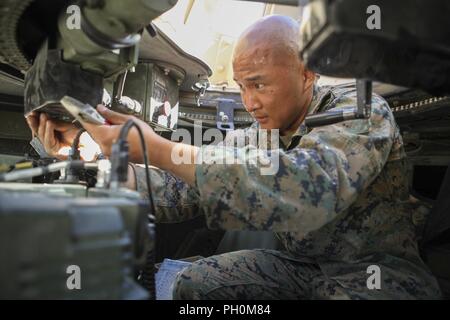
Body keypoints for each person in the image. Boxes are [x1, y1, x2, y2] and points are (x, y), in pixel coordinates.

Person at [26, 15, 441, 299]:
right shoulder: (262, 133)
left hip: (376, 272)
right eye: (241, 86)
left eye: (259, 84)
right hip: (302, 266)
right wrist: (93, 160)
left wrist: (163, 148)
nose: (249, 101)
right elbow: (177, 187)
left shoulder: (360, 110)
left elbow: (307, 192)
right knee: (195, 287)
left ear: (308, 72)